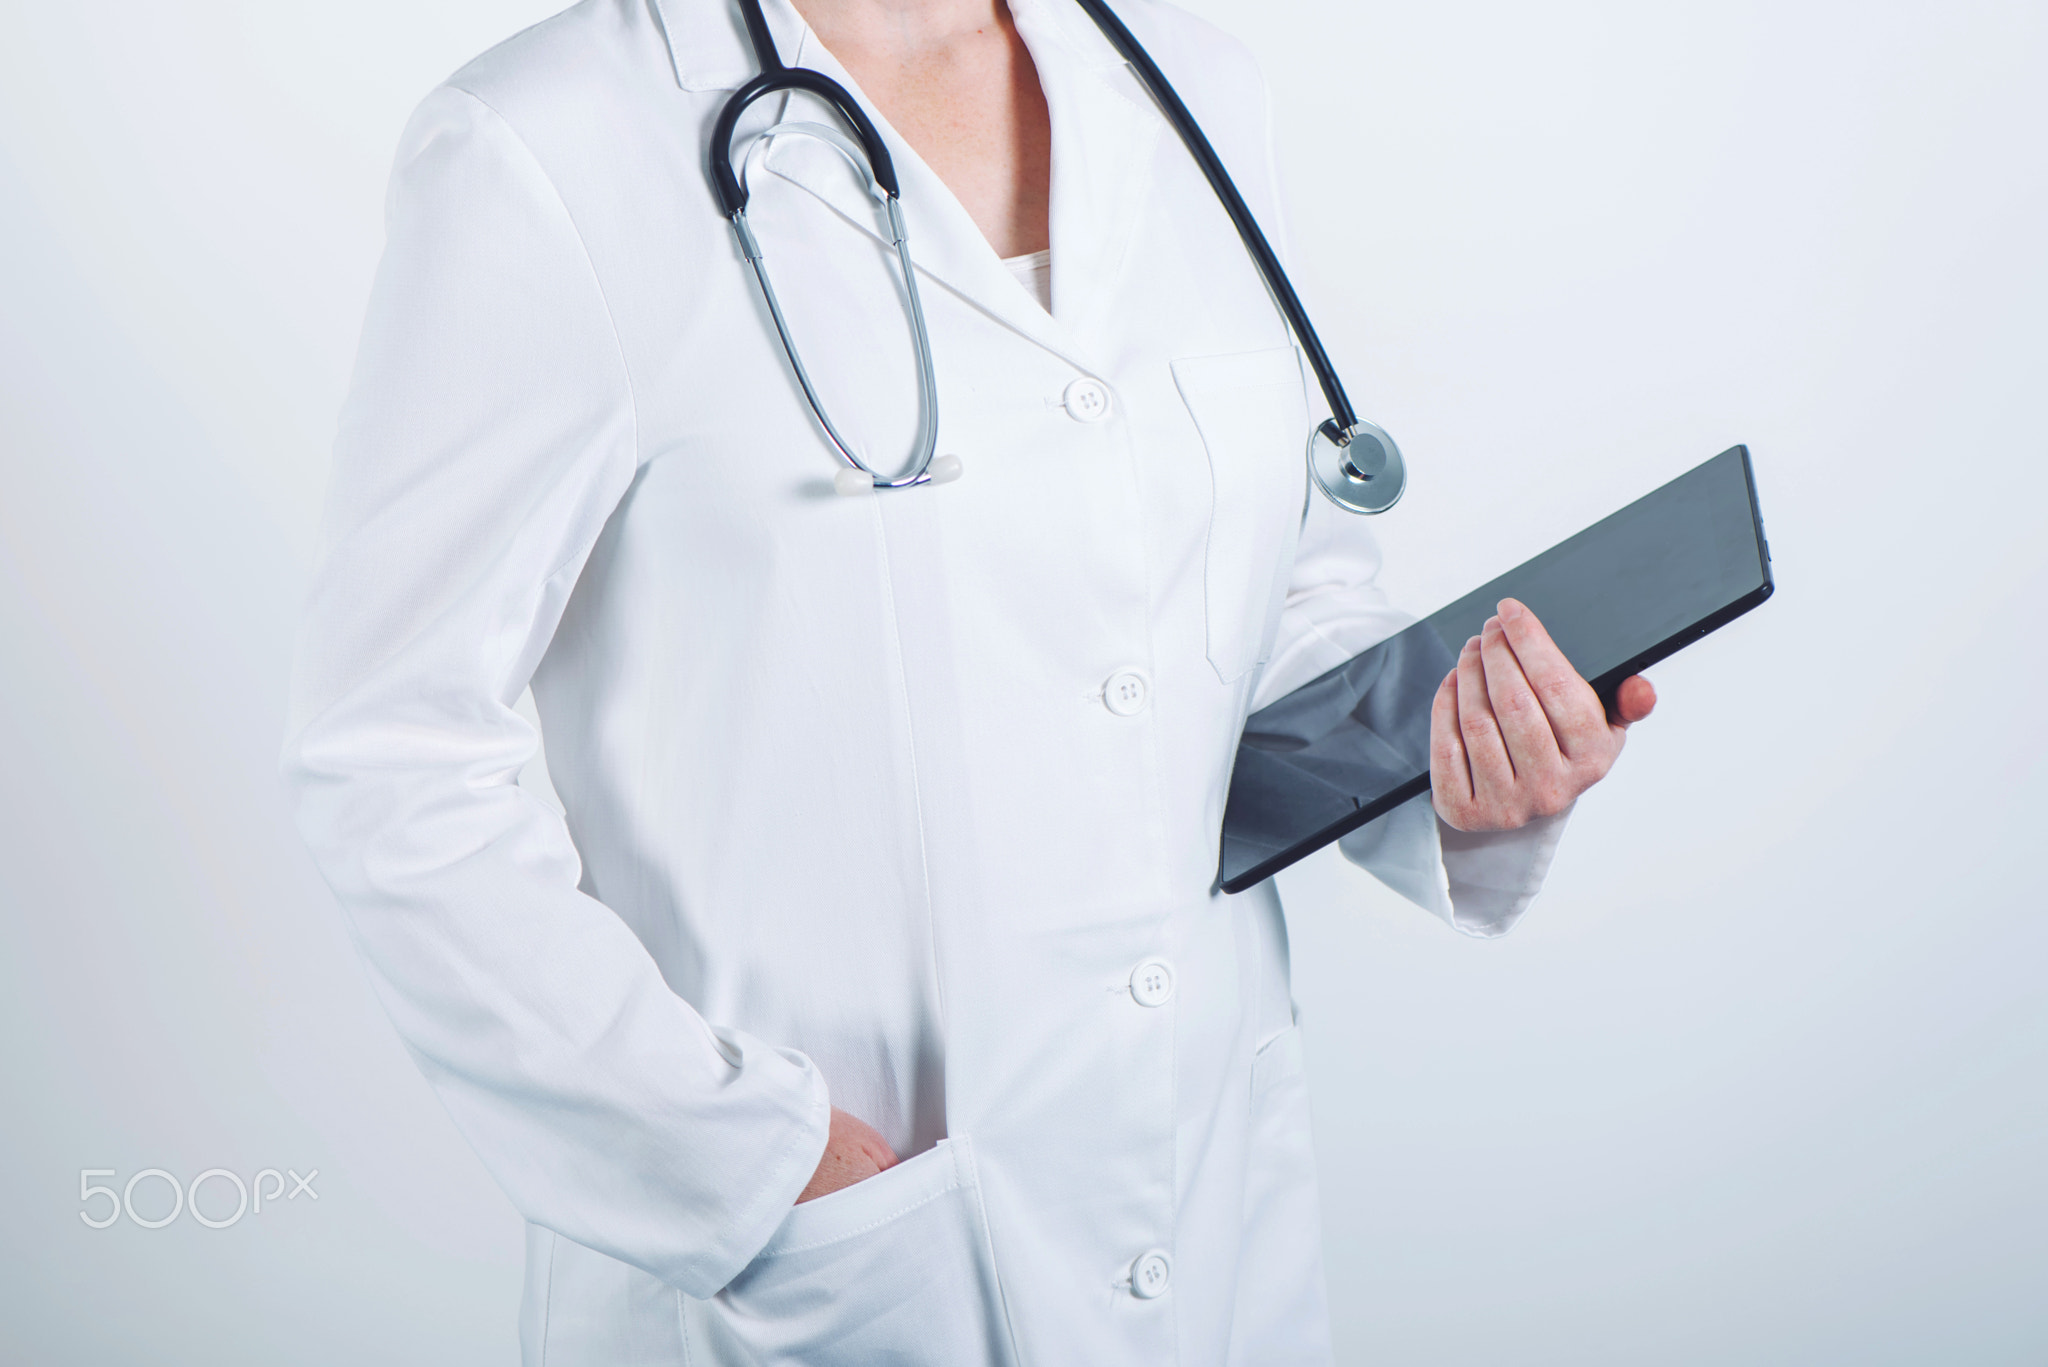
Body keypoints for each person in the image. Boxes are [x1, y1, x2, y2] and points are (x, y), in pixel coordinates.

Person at [281, 0, 1657, 1360]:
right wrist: (746, 1166)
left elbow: (1275, 596)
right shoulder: (549, 144)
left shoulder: (1189, 86)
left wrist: (1462, 750)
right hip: (823, 1273)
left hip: (1207, 1219)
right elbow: (390, 756)